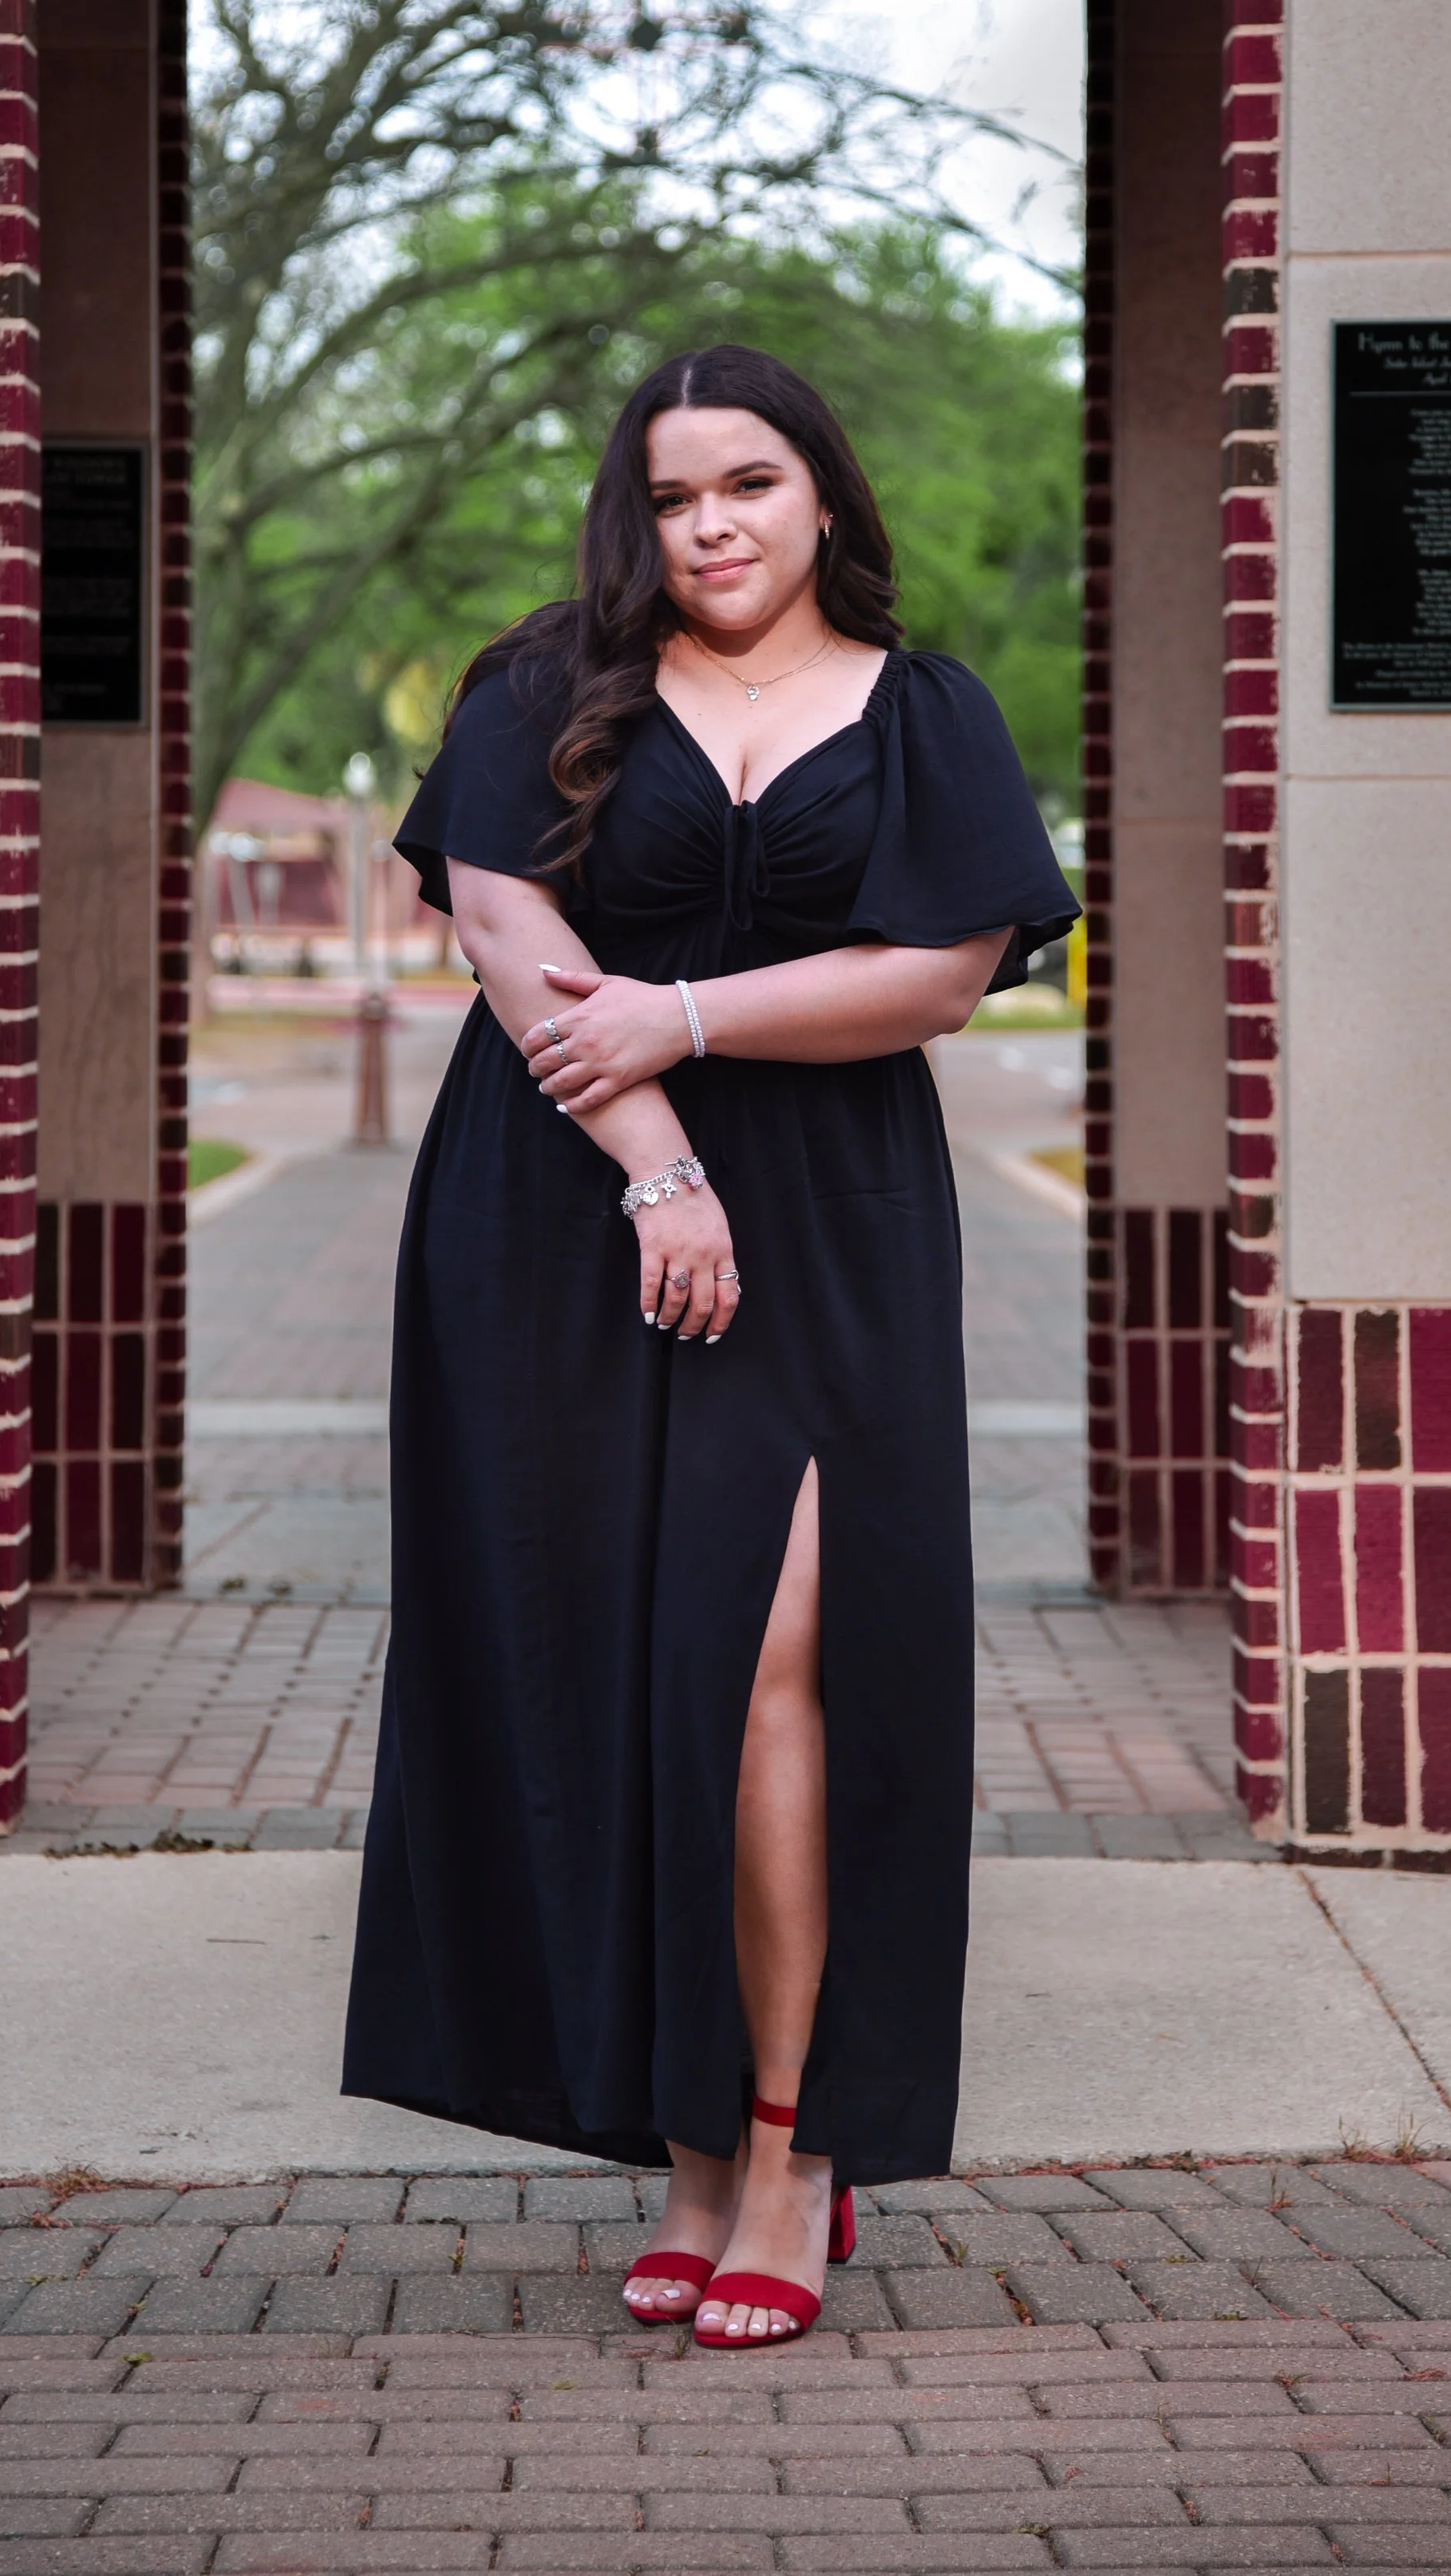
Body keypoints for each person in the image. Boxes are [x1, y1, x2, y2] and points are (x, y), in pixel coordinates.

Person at [343, 345, 1078, 2344]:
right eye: (672, 497)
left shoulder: (922, 712)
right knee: (622, 1669)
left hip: (832, 1212)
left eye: (746, 481)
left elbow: (936, 971)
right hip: (567, 1203)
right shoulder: (541, 686)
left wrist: (687, 1016)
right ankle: (673, 2148)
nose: (711, 525)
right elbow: (506, 932)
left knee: (772, 1667)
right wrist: (659, 1155)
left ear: (820, 490)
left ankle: (786, 2150)